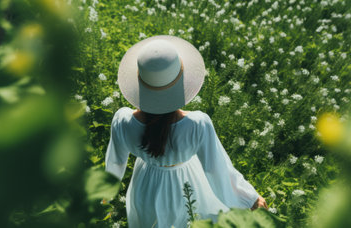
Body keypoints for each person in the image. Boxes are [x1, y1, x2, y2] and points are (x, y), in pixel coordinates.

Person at [105, 35, 267, 228]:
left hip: (146, 185)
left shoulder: (122, 120)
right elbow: (216, 169)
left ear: (140, 82)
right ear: (180, 81)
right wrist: (249, 199)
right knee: (193, 218)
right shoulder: (197, 124)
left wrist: (105, 195)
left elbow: (115, 162)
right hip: (188, 184)